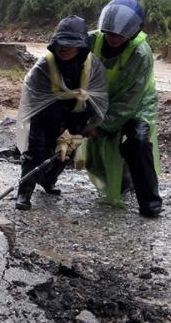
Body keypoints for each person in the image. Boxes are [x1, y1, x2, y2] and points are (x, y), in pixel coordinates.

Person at [15, 15, 109, 210]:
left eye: (71, 45)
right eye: (61, 44)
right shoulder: (43, 66)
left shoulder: (94, 67)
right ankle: (24, 192)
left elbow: (98, 98)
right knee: (36, 151)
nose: (64, 49)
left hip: (77, 112)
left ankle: (49, 181)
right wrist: (57, 128)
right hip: (45, 113)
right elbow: (34, 98)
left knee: (66, 151)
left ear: (82, 47)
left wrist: (88, 126)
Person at [85, 0, 162, 217]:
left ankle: (150, 203)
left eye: (119, 35)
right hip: (102, 98)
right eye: (109, 33)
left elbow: (128, 100)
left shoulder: (141, 54)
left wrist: (100, 125)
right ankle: (44, 179)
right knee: (72, 134)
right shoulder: (91, 40)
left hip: (137, 103)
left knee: (137, 142)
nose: (113, 38)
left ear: (135, 31)